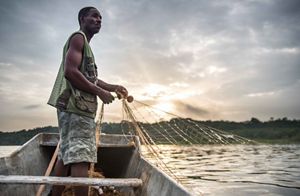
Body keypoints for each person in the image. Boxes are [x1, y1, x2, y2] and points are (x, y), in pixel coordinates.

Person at [47, 6, 128, 196]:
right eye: (94, 16)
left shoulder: (85, 45)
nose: (98, 20)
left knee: (65, 156)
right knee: (80, 158)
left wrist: (112, 87)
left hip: (72, 108)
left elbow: (88, 77)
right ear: (82, 18)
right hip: (77, 109)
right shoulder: (78, 38)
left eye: (100, 17)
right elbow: (71, 72)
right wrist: (99, 92)